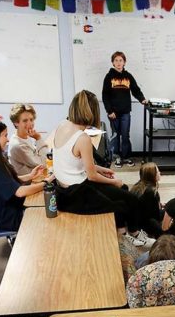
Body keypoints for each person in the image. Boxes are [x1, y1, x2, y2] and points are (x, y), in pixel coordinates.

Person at [53, 90, 153, 247]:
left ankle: (131, 231)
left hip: (66, 188)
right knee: (122, 202)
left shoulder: (62, 125)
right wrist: (113, 182)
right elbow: (92, 176)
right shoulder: (83, 138)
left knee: (126, 192)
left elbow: (74, 161)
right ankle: (128, 234)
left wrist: (102, 170)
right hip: (75, 193)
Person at [0, 120, 45, 232]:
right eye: (5, 135)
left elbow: (6, 181)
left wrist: (30, 176)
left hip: (8, 208)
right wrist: (46, 184)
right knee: (45, 214)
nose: (7, 139)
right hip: (8, 217)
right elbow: (19, 192)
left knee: (42, 203)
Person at [102, 51, 147, 167]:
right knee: (116, 135)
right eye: (116, 60)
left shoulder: (128, 76)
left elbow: (136, 90)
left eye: (120, 60)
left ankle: (126, 157)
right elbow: (105, 95)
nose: (118, 63)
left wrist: (142, 99)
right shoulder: (109, 77)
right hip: (113, 113)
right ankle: (117, 157)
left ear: (124, 62)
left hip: (126, 112)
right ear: (112, 63)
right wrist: (109, 111)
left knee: (125, 135)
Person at [8, 103, 50, 175]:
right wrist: (38, 138)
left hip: (36, 177)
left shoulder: (24, 136)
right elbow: (44, 163)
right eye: (25, 121)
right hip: (28, 183)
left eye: (31, 119)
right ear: (16, 123)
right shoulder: (18, 145)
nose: (30, 124)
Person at [130, 162, 162, 240]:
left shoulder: (137, 186)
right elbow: (156, 215)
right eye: (157, 172)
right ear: (152, 175)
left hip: (134, 221)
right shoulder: (152, 192)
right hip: (145, 224)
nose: (160, 173)